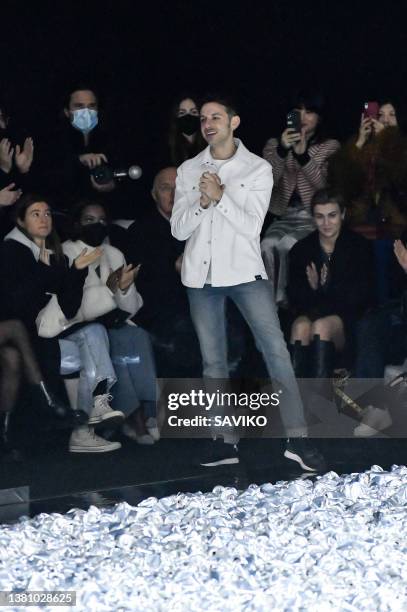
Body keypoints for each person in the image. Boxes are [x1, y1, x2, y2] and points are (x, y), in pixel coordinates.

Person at [171, 94, 326, 472]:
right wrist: (203, 204)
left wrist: (221, 196)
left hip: (244, 272)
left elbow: (251, 228)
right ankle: (223, 441)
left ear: (234, 122)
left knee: (275, 350)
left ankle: (298, 439)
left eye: (216, 117)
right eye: (204, 118)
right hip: (201, 275)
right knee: (214, 361)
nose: (208, 123)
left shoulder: (256, 168)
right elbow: (178, 229)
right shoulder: (189, 169)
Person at [0, 194, 125, 453]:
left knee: (94, 332)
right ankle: (51, 404)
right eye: (35, 214)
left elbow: (69, 307)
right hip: (20, 329)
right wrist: (51, 273)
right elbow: (16, 304)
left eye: (47, 213)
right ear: (21, 220)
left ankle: (97, 406)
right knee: (20, 334)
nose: (44, 219)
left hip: (43, 334)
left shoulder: (59, 255)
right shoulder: (12, 250)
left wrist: (76, 270)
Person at [63, 200, 159, 444]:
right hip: (82, 325)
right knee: (118, 344)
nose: (97, 225)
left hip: (114, 321)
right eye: (89, 220)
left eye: (102, 220)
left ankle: (149, 411)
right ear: (77, 223)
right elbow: (69, 303)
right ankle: (134, 418)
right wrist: (108, 297)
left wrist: (124, 289)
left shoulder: (114, 253)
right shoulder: (66, 252)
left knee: (137, 336)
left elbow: (132, 307)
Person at [287, 190, 375, 383]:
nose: (326, 223)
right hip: (310, 314)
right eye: (320, 217)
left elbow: (361, 299)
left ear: (342, 214)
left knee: (321, 326)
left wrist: (321, 290)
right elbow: (293, 299)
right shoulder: (302, 249)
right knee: (300, 326)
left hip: (349, 325)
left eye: (332, 216)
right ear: (313, 218)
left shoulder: (359, 247)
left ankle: (319, 403)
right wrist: (314, 290)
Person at [261, 91, 340, 305]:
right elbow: (266, 180)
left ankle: (285, 299)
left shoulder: (329, 146)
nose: (304, 117)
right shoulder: (273, 144)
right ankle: (270, 302)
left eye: (310, 112)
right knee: (268, 244)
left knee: (288, 244)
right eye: (298, 112)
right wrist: (281, 149)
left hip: (312, 216)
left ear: (319, 118)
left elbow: (324, 187)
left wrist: (303, 156)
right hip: (284, 215)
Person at [127, 167, 201, 377]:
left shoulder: (203, 223)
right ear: (154, 195)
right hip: (162, 311)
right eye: (165, 188)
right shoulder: (140, 231)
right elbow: (148, 285)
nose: (174, 194)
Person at [328, 98, 407, 240]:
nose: (385, 120)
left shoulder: (402, 146)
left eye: (392, 114)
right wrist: (359, 142)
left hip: (395, 224)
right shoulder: (363, 146)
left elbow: (398, 178)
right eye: (381, 114)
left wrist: (387, 139)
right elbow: (340, 181)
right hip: (360, 222)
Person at [167, 94, 206, 167]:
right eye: (182, 113)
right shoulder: (167, 148)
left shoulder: (210, 145)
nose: (188, 117)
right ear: (175, 116)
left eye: (194, 112)